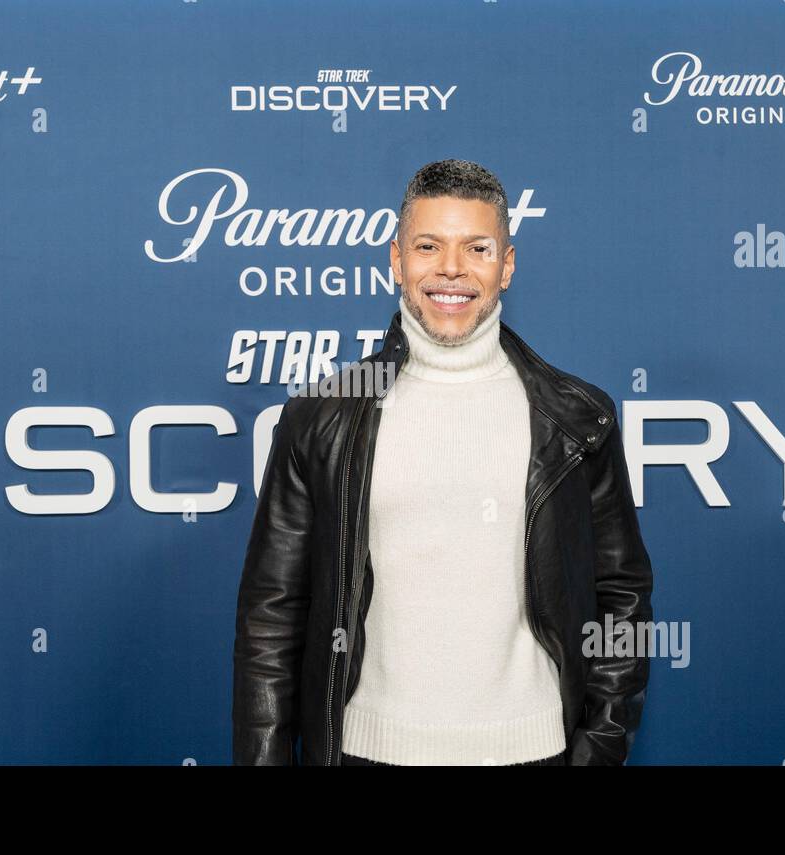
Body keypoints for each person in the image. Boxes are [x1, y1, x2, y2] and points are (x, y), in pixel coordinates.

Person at [233, 159, 653, 766]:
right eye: (428, 246)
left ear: (506, 265)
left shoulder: (579, 420)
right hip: (366, 754)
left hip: (535, 753)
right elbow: (271, 617)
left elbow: (623, 595)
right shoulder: (322, 416)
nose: (451, 269)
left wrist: (603, 743)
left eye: (476, 248)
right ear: (397, 261)